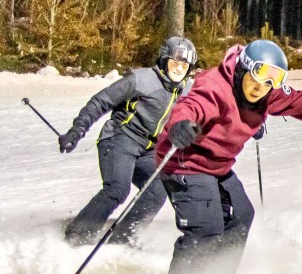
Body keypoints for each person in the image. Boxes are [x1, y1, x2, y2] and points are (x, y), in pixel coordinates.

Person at [156, 40, 302, 274]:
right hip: (184, 162)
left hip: (217, 166)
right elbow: (191, 105)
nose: (258, 89)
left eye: (267, 84)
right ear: (242, 69)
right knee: (206, 229)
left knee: (241, 216)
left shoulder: (268, 94)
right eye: (254, 79)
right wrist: (180, 124)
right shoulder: (216, 85)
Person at [59, 37, 198, 246]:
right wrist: (76, 131)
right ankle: (77, 236)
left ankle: (122, 240)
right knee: (117, 189)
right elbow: (101, 100)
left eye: (184, 65)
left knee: (158, 188)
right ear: (163, 60)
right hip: (119, 140)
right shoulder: (141, 80)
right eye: (174, 63)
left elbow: (212, 110)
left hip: (149, 149)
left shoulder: (187, 90)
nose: (179, 69)